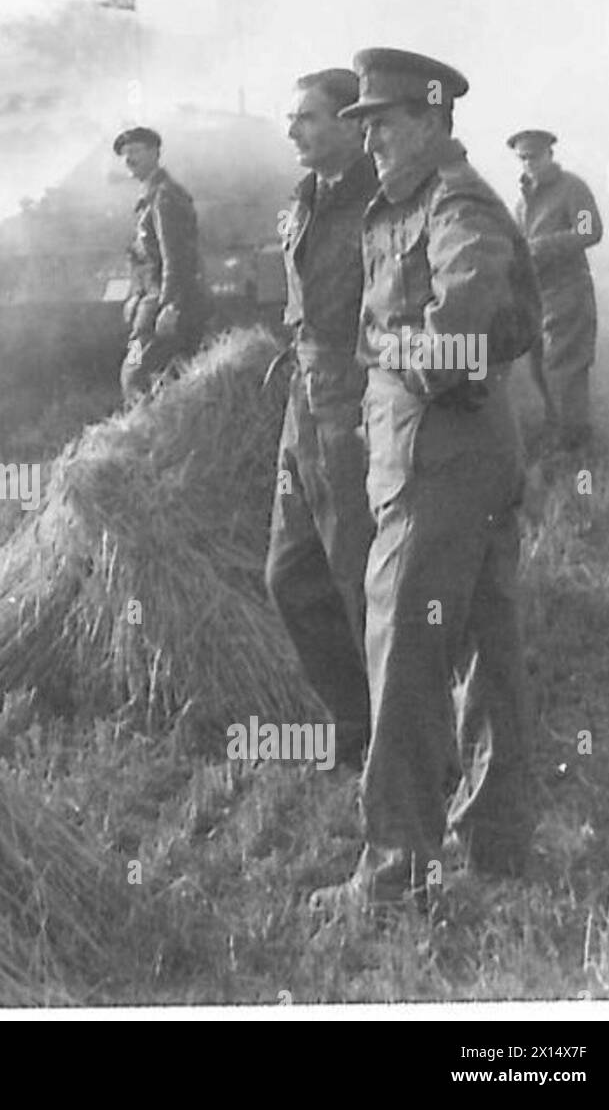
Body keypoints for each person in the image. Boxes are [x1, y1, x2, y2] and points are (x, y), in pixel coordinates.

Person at [310, 49, 543, 915]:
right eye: (363, 126)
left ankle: (396, 865)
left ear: (434, 121)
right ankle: (496, 840)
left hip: (441, 458)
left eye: (384, 123)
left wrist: (390, 350)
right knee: (485, 640)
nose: (369, 140)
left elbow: (464, 333)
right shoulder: (410, 201)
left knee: (406, 650)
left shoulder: (455, 201)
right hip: (448, 452)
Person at [265, 69, 379, 771]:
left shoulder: (380, 200)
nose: (293, 129)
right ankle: (353, 718)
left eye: (308, 116)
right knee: (289, 575)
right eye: (292, 115)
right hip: (302, 403)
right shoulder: (305, 199)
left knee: (363, 576)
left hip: (355, 400)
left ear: (350, 122)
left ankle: (405, 738)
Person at [510, 129, 603, 450]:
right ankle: (558, 432)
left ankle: (575, 446)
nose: (529, 164)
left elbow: (591, 231)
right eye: (522, 158)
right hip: (538, 295)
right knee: (538, 366)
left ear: (550, 154)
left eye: (534, 156)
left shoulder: (572, 188)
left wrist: (541, 248)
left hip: (570, 291)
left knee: (564, 368)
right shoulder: (522, 201)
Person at [114, 126, 204, 403]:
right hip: (149, 300)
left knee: (134, 373)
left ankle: (144, 433)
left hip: (161, 303)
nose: (129, 159)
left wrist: (170, 305)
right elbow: (145, 259)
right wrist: (135, 295)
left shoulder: (165, 197)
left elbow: (174, 256)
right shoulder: (150, 196)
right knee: (153, 372)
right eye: (125, 154)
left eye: (136, 151)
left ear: (154, 153)